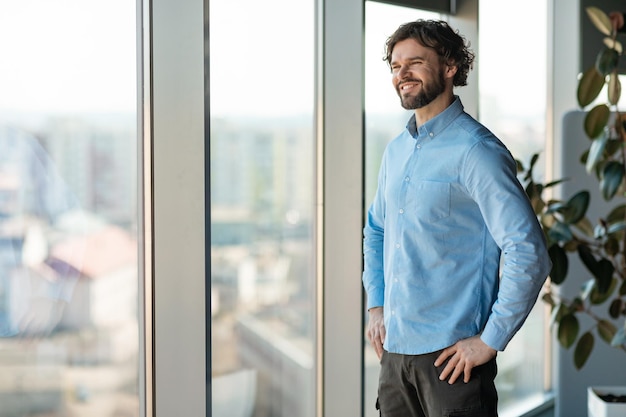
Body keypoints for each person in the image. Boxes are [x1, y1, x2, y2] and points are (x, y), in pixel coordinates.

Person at [362, 19, 552, 417]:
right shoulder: (395, 151)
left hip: (452, 363)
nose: (402, 75)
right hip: (395, 358)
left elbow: (527, 249)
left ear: (450, 66)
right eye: (395, 66)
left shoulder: (477, 151)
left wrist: (490, 340)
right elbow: (376, 230)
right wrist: (376, 305)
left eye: (414, 62)